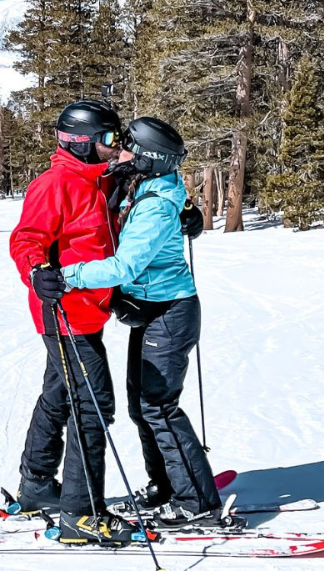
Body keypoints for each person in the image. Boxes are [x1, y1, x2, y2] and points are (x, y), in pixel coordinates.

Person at [60, 117, 233, 529]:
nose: (119, 152)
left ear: (147, 158)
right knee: (142, 407)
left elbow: (125, 265)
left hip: (170, 313)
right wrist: (188, 210)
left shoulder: (155, 205)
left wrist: (68, 275)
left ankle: (197, 502)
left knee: (159, 407)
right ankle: (167, 486)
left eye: (128, 148)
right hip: (152, 310)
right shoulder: (144, 184)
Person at [8, 99, 136, 544]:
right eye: (108, 139)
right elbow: (26, 238)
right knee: (94, 406)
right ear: (82, 142)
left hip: (88, 311)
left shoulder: (98, 180)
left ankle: (37, 485)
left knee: (59, 394)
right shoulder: (55, 184)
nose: (115, 145)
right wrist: (35, 271)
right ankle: (80, 514)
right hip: (65, 313)